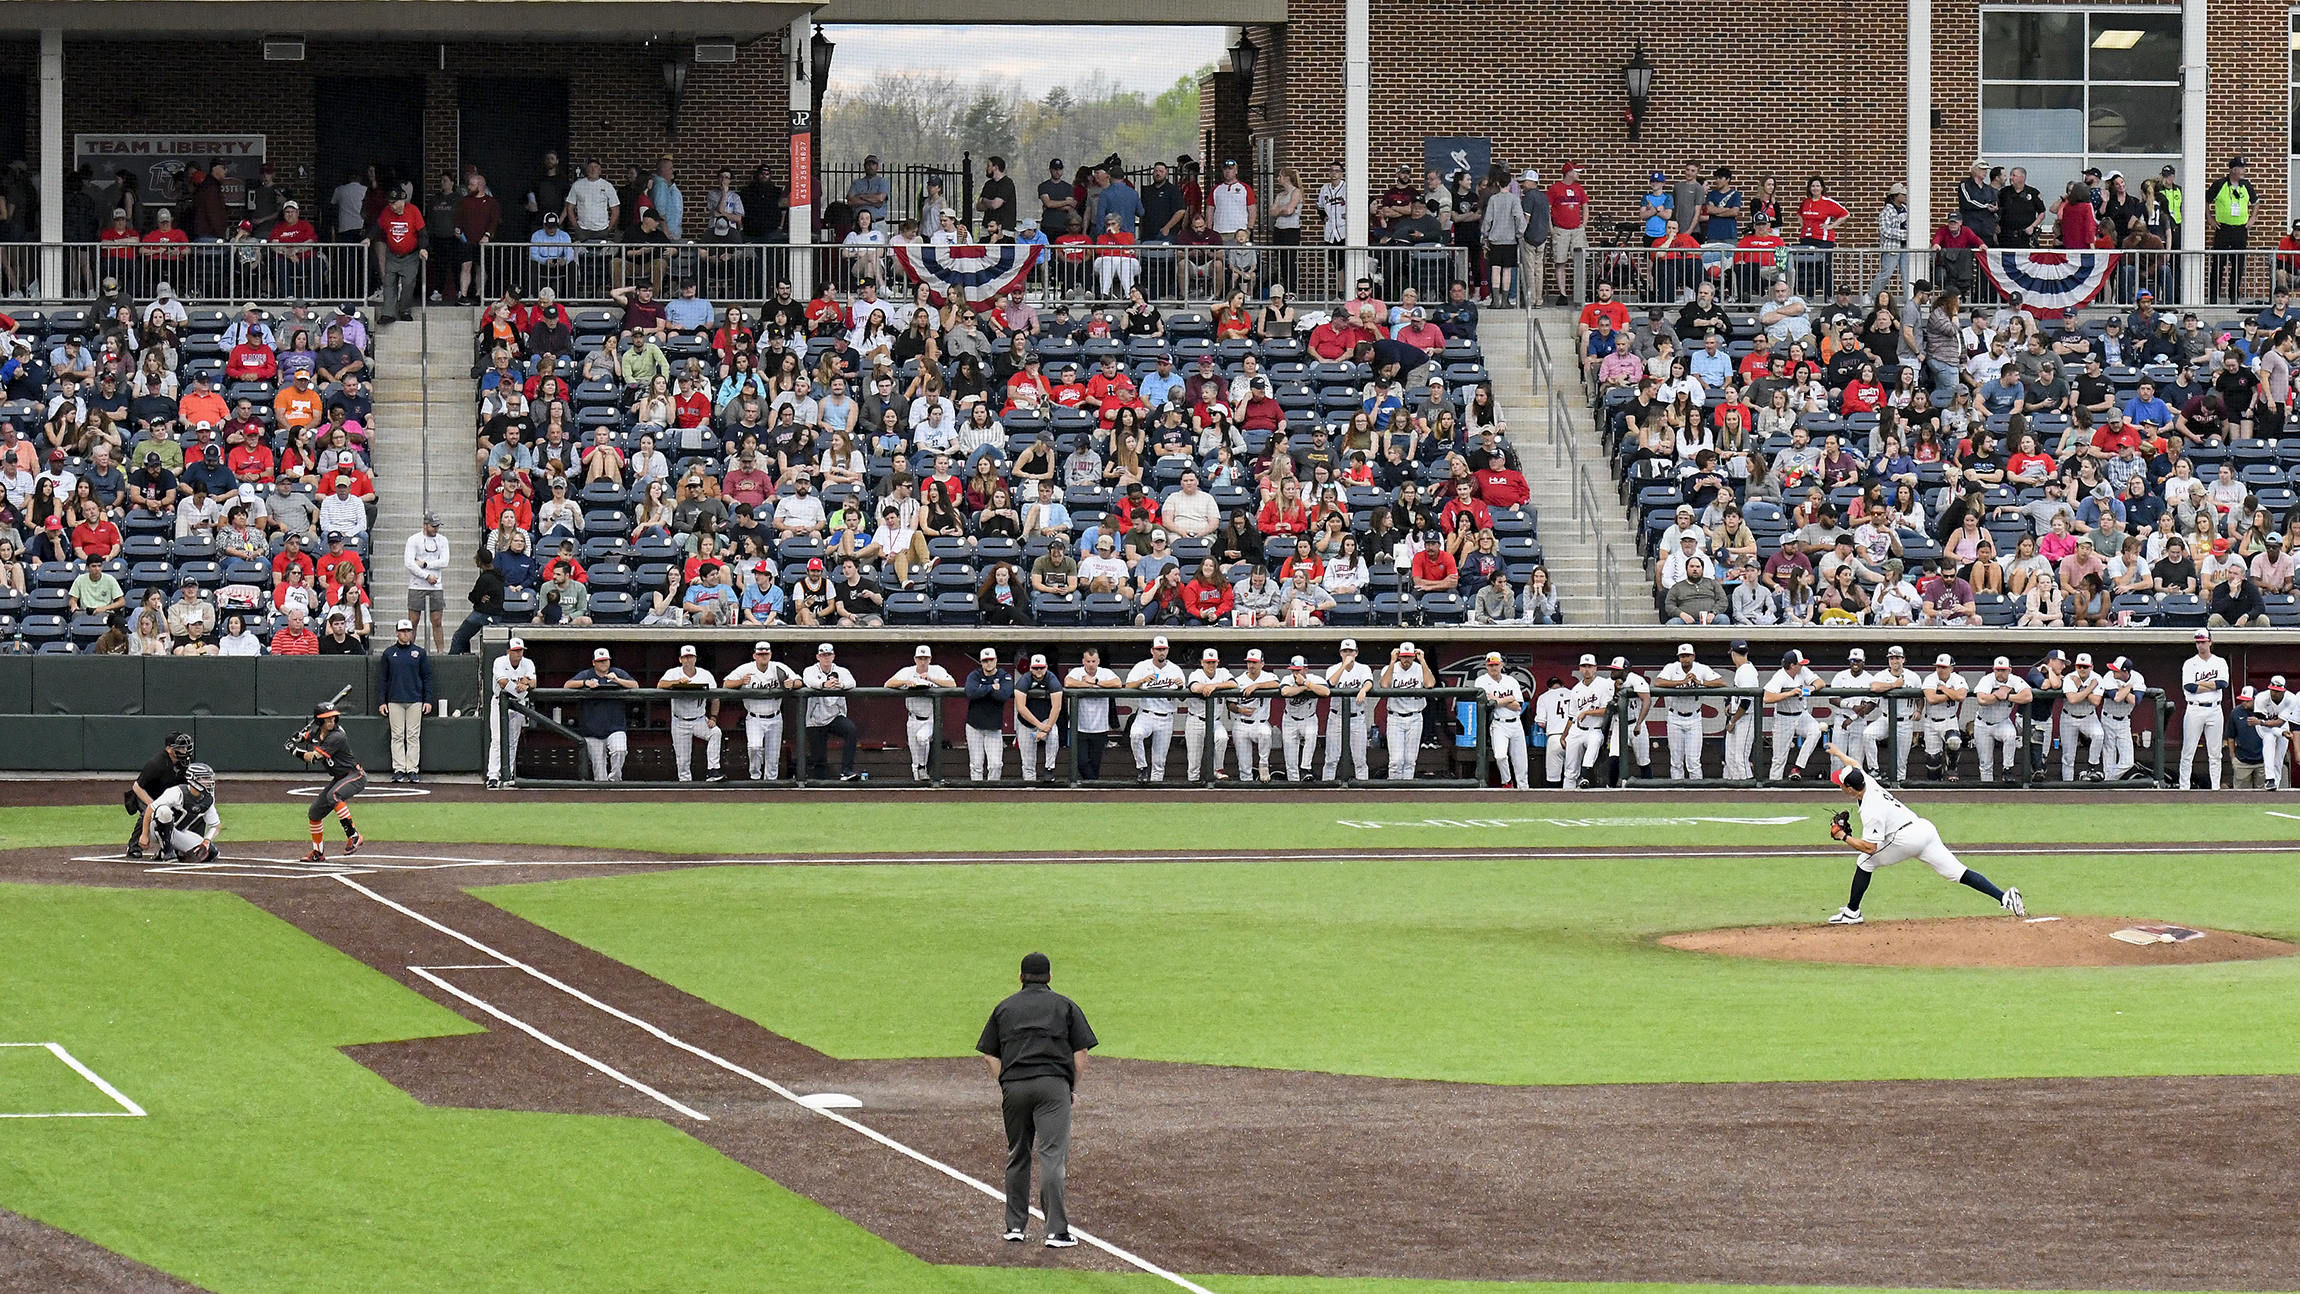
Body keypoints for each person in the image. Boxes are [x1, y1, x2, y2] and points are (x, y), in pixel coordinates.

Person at [977, 951, 1097, 1249]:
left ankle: (1015, 1227)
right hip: (1052, 1087)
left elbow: (990, 1053)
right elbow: (1081, 1054)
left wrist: (1006, 1081)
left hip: (1015, 1087)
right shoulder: (1064, 1005)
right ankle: (1056, 1232)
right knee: (1052, 1156)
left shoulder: (1004, 1008)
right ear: (1050, 977)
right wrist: (1071, 1087)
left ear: (1020, 977)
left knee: (1018, 1154)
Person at [1822, 753, 2024, 924]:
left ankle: (1852, 912)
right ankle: (2005, 897)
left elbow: (1870, 848)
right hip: (1924, 829)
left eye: (1841, 784)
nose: (1839, 786)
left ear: (1850, 788)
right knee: (1958, 872)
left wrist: (1844, 836)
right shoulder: (1867, 781)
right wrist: (1839, 753)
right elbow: (1855, 765)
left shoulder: (1870, 810)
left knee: (1865, 861)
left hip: (1906, 838)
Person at [293, 700, 366, 862]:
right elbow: (310, 736)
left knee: (333, 796)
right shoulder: (319, 732)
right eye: (328, 719)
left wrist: (294, 750)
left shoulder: (337, 736)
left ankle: (353, 835)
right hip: (339, 777)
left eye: (333, 718)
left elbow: (314, 758)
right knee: (314, 813)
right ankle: (318, 853)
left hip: (355, 775)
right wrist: (300, 738)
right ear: (319, 721)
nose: (332, 721)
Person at [725, 641, 797, 781]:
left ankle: (771, 783)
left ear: (770, 654)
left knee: (773, 755)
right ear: (755, 655)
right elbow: (726, 683)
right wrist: (740, 682)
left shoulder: (778, 667)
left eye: (766, 654)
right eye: (760, 654)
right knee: (754, 747)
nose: (763, 656)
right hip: (754, 717)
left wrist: (792, 683)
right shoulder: (746, 668)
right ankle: (755, 777)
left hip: (775, 716)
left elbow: (799, 680)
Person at [377, 618, 435, 784]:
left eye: (408, 631)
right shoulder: (389, 653)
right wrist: (382, 701)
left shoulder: (420, 653)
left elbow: (427, 678)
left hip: (415, 700)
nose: (405, 634)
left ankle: (412, 769)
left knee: (412, 735)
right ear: (397, 633)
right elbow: (383, 679)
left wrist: (427, 700)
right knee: (397, 735)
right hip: (394, 700)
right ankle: (399, 768)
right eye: (402, 631)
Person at [1652, 642, 1720, 780]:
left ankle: (1697, 795)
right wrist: (1681, 682)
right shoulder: (1672, 668)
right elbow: (1658, 682)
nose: (1685, 659)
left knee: (1693, 761)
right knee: (1676, 761)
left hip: (1694, 718)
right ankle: (1678, 794)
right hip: (1675, 717)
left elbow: (1721, 682)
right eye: (1682, 656)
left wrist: (1701, 683)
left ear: (1693, 656)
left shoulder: (1701, 668)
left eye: (1687, 655)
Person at [658, 643, 725, 783]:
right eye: (685, 657)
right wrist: (677, 682)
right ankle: (686, 788)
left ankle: (712, 771)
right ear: (680, 659)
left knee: (715, 733)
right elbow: (660, 685)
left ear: (695, 659)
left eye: (691, 657)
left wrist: (713, 717)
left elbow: (715, 697)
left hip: (699, 719)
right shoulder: (673, 672)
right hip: (679, 721)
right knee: (683, 760)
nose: (688, 660)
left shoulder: (705, 674)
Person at [123, 730, 195, 858]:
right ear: (169, 749)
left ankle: (175, 845)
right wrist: (150, 803)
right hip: (147, 794)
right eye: (180, 748)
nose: (184, 750)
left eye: (185, 747)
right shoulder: (156, 764)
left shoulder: (186, 762)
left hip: (167, 795)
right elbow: (137, 786)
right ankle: (134, 846)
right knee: (149, 812)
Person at [572, 646, 639, 781]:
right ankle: (603, 798)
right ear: (594, 662)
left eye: (606, 661)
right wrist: (585, 683)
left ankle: (615, 780)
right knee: (599, 771)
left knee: (620, 750)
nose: (604, 663)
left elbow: (635, 686)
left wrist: (618, 681)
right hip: (592, 730)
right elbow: (567, 685)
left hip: (615, 727)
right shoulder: (587, 674)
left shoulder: (617, 672)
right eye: (600, 661)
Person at [1125, 635, 1185, 783]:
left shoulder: (1175, 669)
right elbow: (1127, 686)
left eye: (1163, 649)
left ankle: (1154, 794)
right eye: (1158, 649)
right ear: (1152, 651)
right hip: (1146, 714)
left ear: (1168, 650)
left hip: (1166, 717)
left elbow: (1183, 698)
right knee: (1136, 735)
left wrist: (1181, 687)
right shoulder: (1142, 666)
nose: (1161, 652)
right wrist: (1142, 681)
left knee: (1159, 762)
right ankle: (1142, 767)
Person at [802, 643, 864, 781]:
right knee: (819, 759)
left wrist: (841, 685)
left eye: (829, 655)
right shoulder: (810, 670)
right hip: (815, 719)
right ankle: (821, 789)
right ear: (818, 657)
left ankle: (846, 771)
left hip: (835, 715)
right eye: (823, 655)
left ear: (833, 656)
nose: (826, 658)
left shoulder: (841, 671)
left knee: (851, 731)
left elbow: (852, 682)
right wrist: (823, 685)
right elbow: (808, 680)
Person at [1970, 655, 2034, 785]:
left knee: (2011, 735)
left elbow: (2028, 696)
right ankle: (1988, 790)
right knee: (1985, 763)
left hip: (2002, 722)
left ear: (2009, 670)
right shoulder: (1987, 680)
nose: (2000, 673)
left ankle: (2007, 769)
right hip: (1983, 723)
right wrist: (1996, 695)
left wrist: (2007, 696)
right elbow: (1982, 699)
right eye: (1998, 670)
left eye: (2003, 670)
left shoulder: (2014, 680)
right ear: (1994, 670)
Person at [2177, 628, 2228, 790]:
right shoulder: (2190, 663)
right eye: (2198, 642)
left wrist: (2202, 685)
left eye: (2203, 642)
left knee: (2215, 753)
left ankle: (2215, 788)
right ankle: (2184, 787)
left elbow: (2222, 684)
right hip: (2195, 709)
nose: (2200, 645)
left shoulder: (2219, 662)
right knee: (2188, 751)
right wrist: (2210, 686)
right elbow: (2190, 687)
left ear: (2210, 642)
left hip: (2214, 708)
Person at [1472, 651, 1531, 789]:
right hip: (1498, 723)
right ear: (1486, 666)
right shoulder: (1481, 681)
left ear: (1501, 665)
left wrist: (1498, 700)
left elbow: (1518, 706)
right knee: (1500, 756)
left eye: (1496, 664)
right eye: (1491, 665)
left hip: (1516, 723)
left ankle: (1524, 789)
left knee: (1521, 762)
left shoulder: (1511, 681)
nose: (1493, 668)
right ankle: (1507, 782)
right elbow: (1488, 704)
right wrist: (1509, 699)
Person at [144, 761, 220, 864]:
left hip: (177, 832)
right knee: (164, 811)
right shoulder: (176, 792)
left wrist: (207, 841)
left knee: (211, 853)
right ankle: (167, 852)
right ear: (194, 780)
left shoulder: (207, 799)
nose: (209, 782)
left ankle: (175, 852)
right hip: (155, 830)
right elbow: (150, 809)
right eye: (205, 779)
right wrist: (144, 834)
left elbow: (216, 825)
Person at [487, 636, 536, 789]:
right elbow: (502, 683)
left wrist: (526, 684)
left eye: (520, 650)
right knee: (497, 739)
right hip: (498, 702)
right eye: (515, 651)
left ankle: (507, 774)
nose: (518, 654)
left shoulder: (527, 663)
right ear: (509, 651)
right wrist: (519, 686)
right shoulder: (500, 661)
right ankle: (493, 776)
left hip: (518, 705)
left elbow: (534, 682)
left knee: (513, 740)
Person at [1562, 653, 1615, 790]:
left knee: (1594, 741)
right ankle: (1565, 798)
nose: (1587, 669)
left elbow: (1607, 710)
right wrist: (1564, 735)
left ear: (1595, 668)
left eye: (1590, 666)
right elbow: (1572, 716)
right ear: (1580, 668)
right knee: (1570, 771)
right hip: (1577, 730)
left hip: (1595, 729)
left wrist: (1587, 712)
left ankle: (1584, 775)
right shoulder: (1576, 689)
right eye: (1584, 666)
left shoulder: (1603, 684)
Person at [1183, 647, 1236, 782]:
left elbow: (1233, 684)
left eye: (1213, 662)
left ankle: (1217, 769)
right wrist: (1209, 687)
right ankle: (1192, 784)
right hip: (1196, 720)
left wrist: (1214, 686)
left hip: (1215, 721)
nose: (1211, 665)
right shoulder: (1197, 674)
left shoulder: (1223, 672)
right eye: (1208, 662)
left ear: (1217, 662)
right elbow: (1194, 687)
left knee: (1222, 738)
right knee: (1194, 760)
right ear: (1202, 663)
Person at [964, 648, 1015, 781]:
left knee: (996, 764)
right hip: (974, 725)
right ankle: (977, 795)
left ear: (996, 660)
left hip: (993, 726)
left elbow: (1004, 695)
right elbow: (970, 692)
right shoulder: (974, 675)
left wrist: (982, 689)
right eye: (985, 661)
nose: (988, 663)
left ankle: (993, 793)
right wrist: (991, 688)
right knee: (976, 765)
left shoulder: (1004, 675)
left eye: (991, 660)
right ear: (981, 662)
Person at [1013, 653, 1065, 784]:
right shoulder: (1025, 679)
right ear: (1030, 668)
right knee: (1028, 761)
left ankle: (1049, 768)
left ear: (1046, 667)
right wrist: (1038, 725)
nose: (1039, 671)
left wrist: (1044, 729)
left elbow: (1057, 707)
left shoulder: (1051, 678)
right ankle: (1030, 789)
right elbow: (1020, 707)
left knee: (1053, 735)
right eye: (1036, 668)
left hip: (1045, 720)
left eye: (1041, 668)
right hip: (1026, 723)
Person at [404, 511, 449, 651]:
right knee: (413, 621)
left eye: (437, 526)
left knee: (437, 621)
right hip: (417, 585)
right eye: (433, 526)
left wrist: (425, 564)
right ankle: (408, 648)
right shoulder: (413, 540)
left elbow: (444, 561)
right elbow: (409, 563)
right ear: (425, 525)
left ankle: (440, 651)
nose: (436, 529)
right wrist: (426, 576)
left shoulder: (443, 540)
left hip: (436, 585)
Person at [1721, 640, 1761, 781]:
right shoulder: (1743, 669)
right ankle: (1735, 791)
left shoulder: (1747, 671)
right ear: (1747, 653)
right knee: (1730, 757)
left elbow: (1746, 702)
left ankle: (1748, 792)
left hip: (1745, 718)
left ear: (1732, 654)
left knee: (1740, 757)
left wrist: (1732, 721)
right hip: (1738, 716)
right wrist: (1731, 705)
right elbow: (1740, 698)